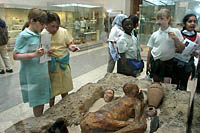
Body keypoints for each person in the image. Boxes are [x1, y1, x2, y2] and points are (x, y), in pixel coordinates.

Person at [13, 8, 51, 117]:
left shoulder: (41, 34)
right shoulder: (24, 36)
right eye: (41, 24)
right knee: (37, 101)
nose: (43, 27)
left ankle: (41, 120)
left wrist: (48, 52)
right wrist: (34, 55)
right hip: (32, 74)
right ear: (32, 21)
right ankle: (38, 122)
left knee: (42, 99)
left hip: (42, 72)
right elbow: (15, 55)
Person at [44, 12, 80, 107]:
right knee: (51, 91)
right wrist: (45, 52)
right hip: (50, 67)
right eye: (53, 26)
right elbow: (39, 51)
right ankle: (51, 110)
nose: (55, 29)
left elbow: (69, 43)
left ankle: (65, 108)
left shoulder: (63, 31)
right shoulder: (43, 34)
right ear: (46, 25)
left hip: (63, 65)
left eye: (57, 26)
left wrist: (72, 47)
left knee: (65, 89)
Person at [80, 82, 147, 133]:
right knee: (141, 125)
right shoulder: (136, 101)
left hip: (90, 117)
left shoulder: (120, 99)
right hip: (102, 119)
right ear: (134, 91)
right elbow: (137, 120)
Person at [146, 8, 185, 82]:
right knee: (156, 83)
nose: (159, 21)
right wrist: (148, 64)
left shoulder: (175, 31)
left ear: (168, 19)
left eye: (162, 19)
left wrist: (175, 39)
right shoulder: (155, 34)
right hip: (155, 61)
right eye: (158, 19)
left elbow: (182, 48)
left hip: (168, 62)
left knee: (167, 84)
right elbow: (150, 50)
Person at [172, 14, 200, 91]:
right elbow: (172, 46)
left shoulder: (197, 36)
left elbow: (198, 49)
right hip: (176, 62)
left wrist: (195, 53)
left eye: (194, 21)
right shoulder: (179, 34)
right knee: (174, 83)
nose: (192, 23)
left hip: (188, 63)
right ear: (185, 23)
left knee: (184, 84)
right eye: (190, 21)